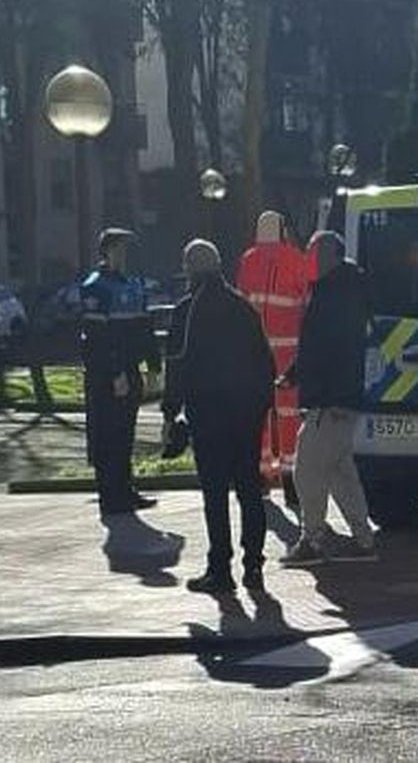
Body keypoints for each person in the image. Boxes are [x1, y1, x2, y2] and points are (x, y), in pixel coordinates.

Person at [164, 239, 276, 594]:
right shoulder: (243, 307)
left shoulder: (188, 310)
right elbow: (265, 361)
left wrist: (170, 413)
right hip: (246, 413)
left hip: (209, 412)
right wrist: (260, 405)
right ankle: (255, 565)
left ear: (190, 269)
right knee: (249, 489)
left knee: (215, 494)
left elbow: (176, 365)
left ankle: (220, 569)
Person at [280, 231, 376, 567]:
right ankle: (363, 540)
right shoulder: (345, 289)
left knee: (306, 470)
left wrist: (303, 379)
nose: (309, 259)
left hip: (330, 400)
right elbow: (320, 347)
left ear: (330, 255)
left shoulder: (333, 294)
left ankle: (312, 540)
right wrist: (293, 374)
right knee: (340, 472)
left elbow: (324, 349)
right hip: (341, 398)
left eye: (313, 252)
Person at [79, 228, 161, 518]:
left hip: (130, 369)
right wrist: (115, 373)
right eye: (119, 248)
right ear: (107, 251)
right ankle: (110, 497)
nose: (124, 254)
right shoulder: (95, 286)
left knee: (125, 434)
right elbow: (96, 338)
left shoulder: (132, 285)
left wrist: (153, 367)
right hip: (107, 374)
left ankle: (125, 490)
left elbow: (144, 328)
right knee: (107, 436)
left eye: (126, 248)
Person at [235, 211, 310, 484]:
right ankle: (291, 470)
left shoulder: (248, 260)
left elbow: (241, 302)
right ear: (282, 231)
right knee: (289, 413)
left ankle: (262, 470)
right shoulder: (295, 259)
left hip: (254, 351)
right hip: (288, 349)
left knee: (259, 411)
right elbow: (305, 303)